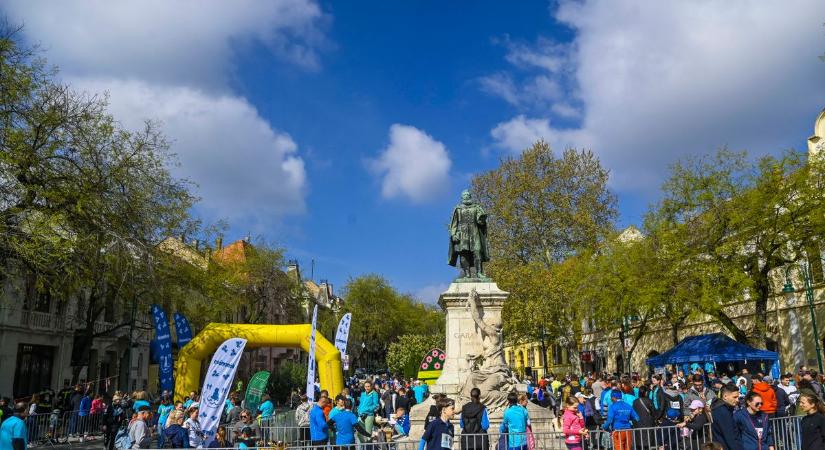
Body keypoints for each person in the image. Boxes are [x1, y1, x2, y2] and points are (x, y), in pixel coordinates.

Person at [711, 383, 743, 450]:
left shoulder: (725, 408)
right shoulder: (722, 411)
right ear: (725, 396)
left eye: (738, 397)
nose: (737, 400)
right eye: (734, 397)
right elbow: (730, 436)